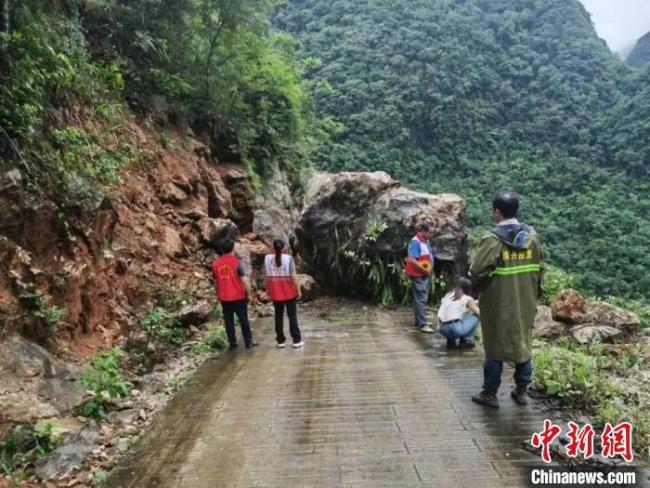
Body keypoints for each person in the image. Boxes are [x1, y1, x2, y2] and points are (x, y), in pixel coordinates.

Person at [469, 191, 544, 408]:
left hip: (498, 302)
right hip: (525, 300)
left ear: (497, 212)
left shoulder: (492, 240)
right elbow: (540, 268)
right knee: (523, 344)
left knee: (495, 346)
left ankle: (490, 393)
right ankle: (521, 391)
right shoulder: (531, 237)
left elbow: (476, 271)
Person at [212, 238, 258, 350]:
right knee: (243, 319)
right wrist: (249, 294)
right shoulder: (237, 262)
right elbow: (244, 280)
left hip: (224, 297)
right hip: (238, 296)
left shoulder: (215, 264)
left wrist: (218, 294)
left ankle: (232, 344)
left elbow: (216, 282)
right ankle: (248, 342)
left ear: (222, 250)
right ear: (233, 249)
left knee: (228, 321)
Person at [265, 238, 304, 349]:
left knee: (278, 315)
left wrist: (268, 289)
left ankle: (280, 341)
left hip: (276, 291)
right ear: (284, 247)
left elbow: (266, 276)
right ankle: (296, 340)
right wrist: (298, 289)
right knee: (292, 316)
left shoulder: (267, 258)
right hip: (288, 291)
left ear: (273, 247)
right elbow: (293, 276)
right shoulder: (288, 258)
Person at [405, 222, 435, 333]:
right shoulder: (415, 242)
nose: (432, 235)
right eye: (430, 232)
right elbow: (412, 260)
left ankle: (420, 321)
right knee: (421, 299)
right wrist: (425, 271)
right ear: (424, 231)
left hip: (424, 274)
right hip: (418, 275)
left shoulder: (425, 240)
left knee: (421, 298)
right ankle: (422, 324)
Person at [437, 277, 480, 349]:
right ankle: (467, 341)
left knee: (457, 316)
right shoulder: (466, 298)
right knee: (476, 316)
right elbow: (478, 312)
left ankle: (450, 341)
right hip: (455, 329)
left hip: (442, 329)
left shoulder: (448, 295)